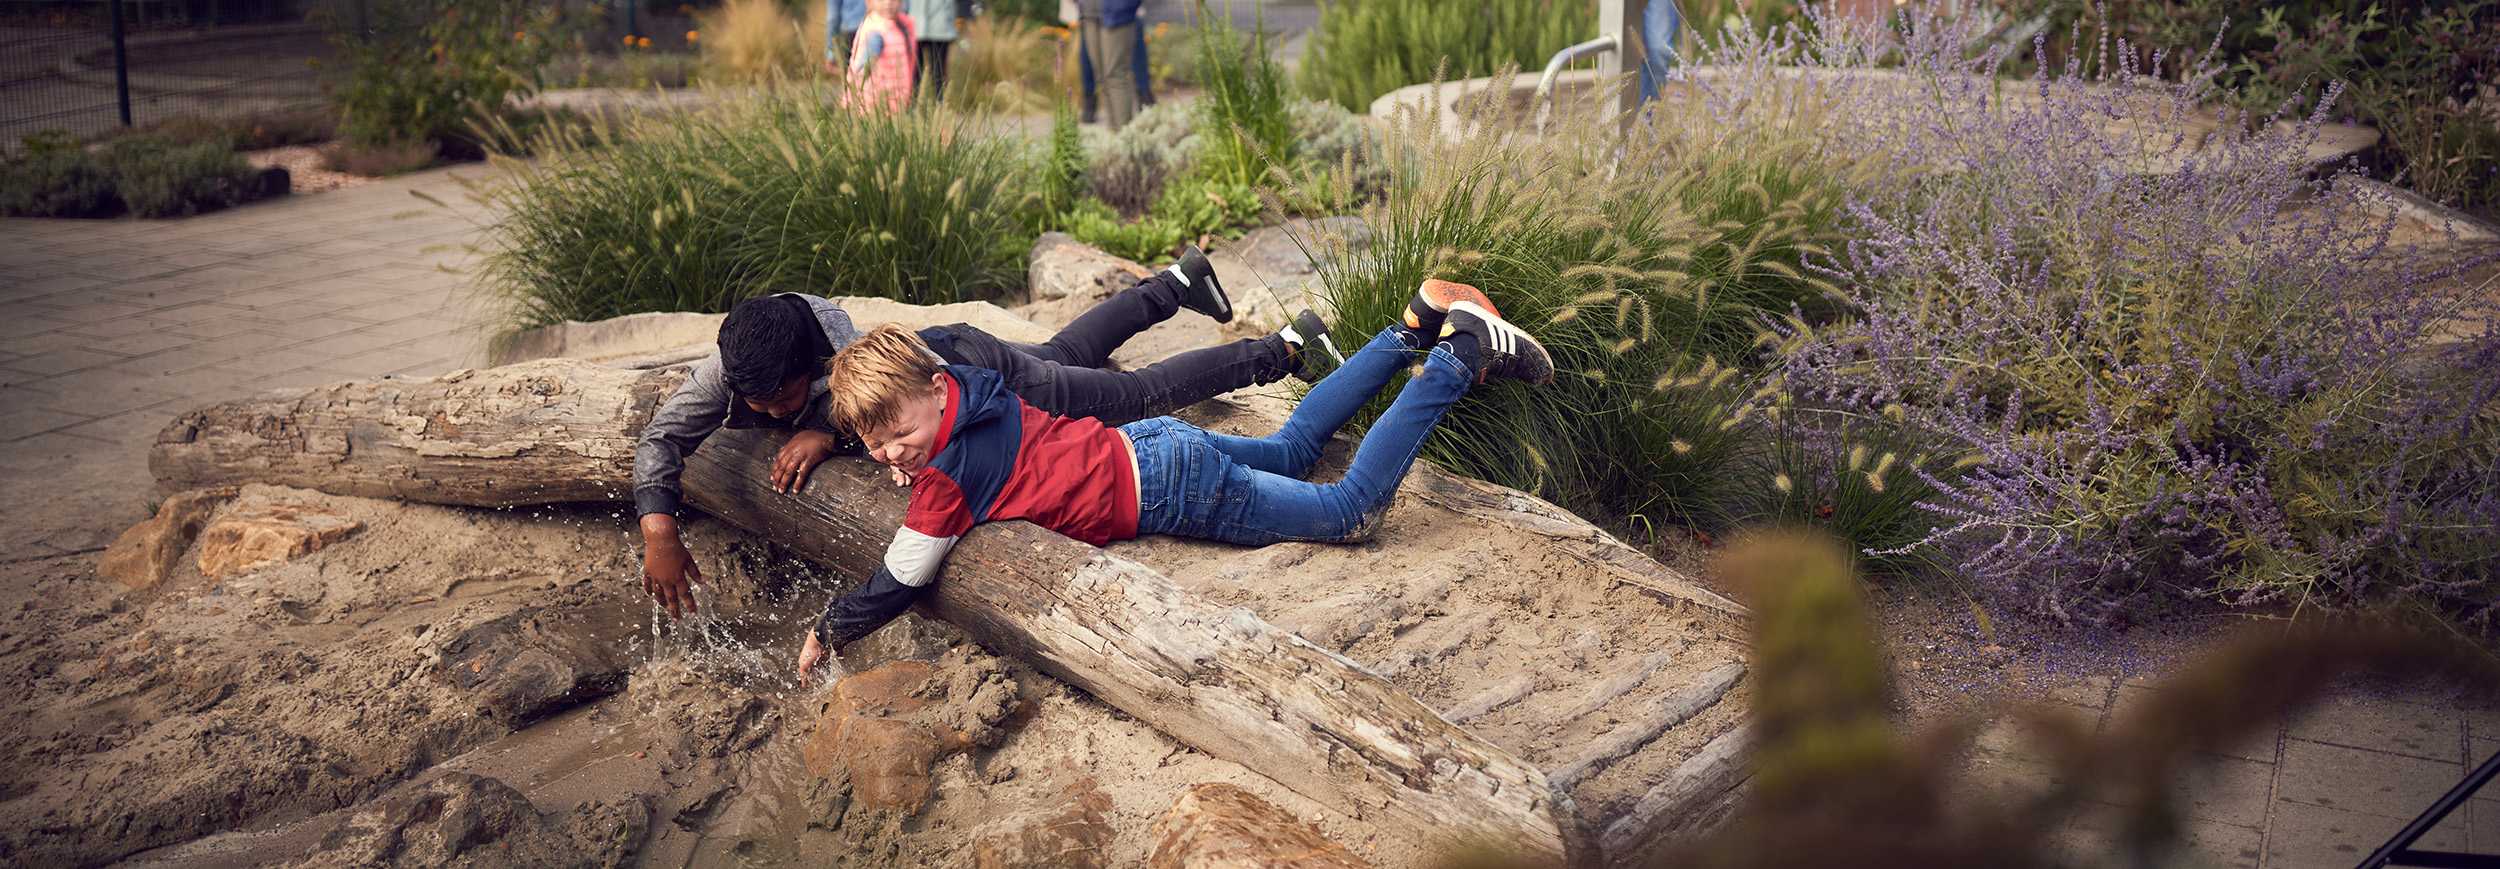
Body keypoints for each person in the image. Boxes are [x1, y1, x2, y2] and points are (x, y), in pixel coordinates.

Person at [795, 280, 1554, 684]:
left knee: (1350, 508)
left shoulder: (945, 483)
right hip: (1150, 443)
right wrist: (912, 450)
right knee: (1291, 448)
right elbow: (938, 441)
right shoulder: (967, 387)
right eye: (875, 447)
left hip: (1167, 488)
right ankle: (1413, 328)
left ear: (932, 393)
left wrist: (830, 627)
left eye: (901, 436)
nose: (893, 455)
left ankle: (1458, 356)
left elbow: (902, 574)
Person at [636, 248, 1333, 619]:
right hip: (961, 367)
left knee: (1129, 395)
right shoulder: (731, 367)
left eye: (787, 400)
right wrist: (660, 532)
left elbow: (909, 400)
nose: (771, 415)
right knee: (1063, 355)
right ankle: (1177, 281)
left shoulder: (834, 337)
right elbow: (662, 439)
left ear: (813, 365)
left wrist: (822, 429)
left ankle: (1288, 347)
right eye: (757, 405)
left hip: (978, 379)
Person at [1073, 0, 1142, 129]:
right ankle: (1114, 135)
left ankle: (1124, 138)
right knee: (1102, 78)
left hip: (1118, 13)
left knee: (1115, 76)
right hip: (1090, 14)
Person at [845, 0, 918, 115]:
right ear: (869, 2)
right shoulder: (875, 31)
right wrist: (864, 71)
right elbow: (871, 53)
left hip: (895, 104)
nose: (888, 3)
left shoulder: (902, 26)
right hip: (871, 108)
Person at [1078, 18, 1154, 124]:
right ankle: (1116, 130)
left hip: (1114, 13)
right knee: (1105, 77)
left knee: (1114, 75)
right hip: (1093, 13)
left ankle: (1122, 130)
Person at [905, 0, 968, 103]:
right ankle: (912, 108)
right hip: (914, 23)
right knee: (914, 72)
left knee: (938, 72)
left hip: (941, 24)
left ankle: (941, 109)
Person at [824, 0, 867, 74]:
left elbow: (833, 18)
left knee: (850, 78)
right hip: (871, 28)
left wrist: (831, 53)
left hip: (849, 33)